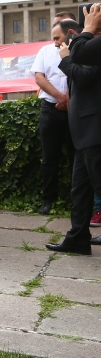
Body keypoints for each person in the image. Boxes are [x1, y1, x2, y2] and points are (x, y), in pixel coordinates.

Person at [47, 19, 101, 254]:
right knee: (79, 189)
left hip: (95, 130)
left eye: (58, 39)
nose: (56, 44)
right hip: (83, 131)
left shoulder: (93, 46)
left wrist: (67, 59)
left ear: (71, 34)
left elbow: (86, 76)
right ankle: (78, 238)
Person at [29, 12, 77, 215]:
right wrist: (59, 97)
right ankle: (48, 199)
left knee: (77, 157)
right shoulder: (45, 50)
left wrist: (69, 98)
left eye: (61, 25)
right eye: (55, 24)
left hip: (75, 109)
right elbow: (39, 78)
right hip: (50, 108)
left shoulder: (82, 49)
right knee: (50, 157)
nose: (56, 29)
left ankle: (77, 200)